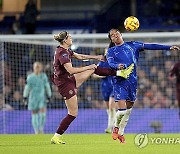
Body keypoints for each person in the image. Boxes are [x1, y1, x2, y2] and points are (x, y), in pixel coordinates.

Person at [50, 31, 134, 144]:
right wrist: (88, 66)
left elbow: (79, 56)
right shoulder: (62, 54)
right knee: (73, 113)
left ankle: (120, 73)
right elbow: (71, 70)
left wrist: (96, 57)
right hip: (65, 84)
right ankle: (56, 136)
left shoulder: (65, 50)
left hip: (68, 80)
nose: (71, 39)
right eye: (70, 37)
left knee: (93, 68)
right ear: (65, 40)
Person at [107, 28, 180, 143]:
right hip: (119, 81)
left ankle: (121, 133)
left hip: (132, 82)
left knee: (128, 110)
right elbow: (110, 63)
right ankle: (115, 128)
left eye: (116, 33)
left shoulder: (133, 45)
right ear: (111, 39)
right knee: (121, 110)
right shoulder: (111, 51)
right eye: (112, 35)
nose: (115, 35)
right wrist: (117, 66)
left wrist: (168, 47)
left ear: (121, 34)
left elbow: (151, 46)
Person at [23, 62, 52, 134]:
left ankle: (41, 128)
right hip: (33, 98)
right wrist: (25, 96)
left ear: (41, 68)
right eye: (36, 67)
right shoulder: (30, 77)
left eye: (38, 67)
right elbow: (27, 87)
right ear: (33, 68)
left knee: (43, 113)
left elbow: (47, 86)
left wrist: (49, 95)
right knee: (34, 113)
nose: (37, 68)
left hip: (42, 97)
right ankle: (36, 130)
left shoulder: (43, 76)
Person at [94, 48, 116, 133]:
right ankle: (113, 123)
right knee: (108, 108)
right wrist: (102, 75)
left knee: (111, 105)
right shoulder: (102, 63)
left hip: (114, 86)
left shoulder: (115, 62)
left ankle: (110, 127)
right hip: (105, 87)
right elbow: (94, 74)